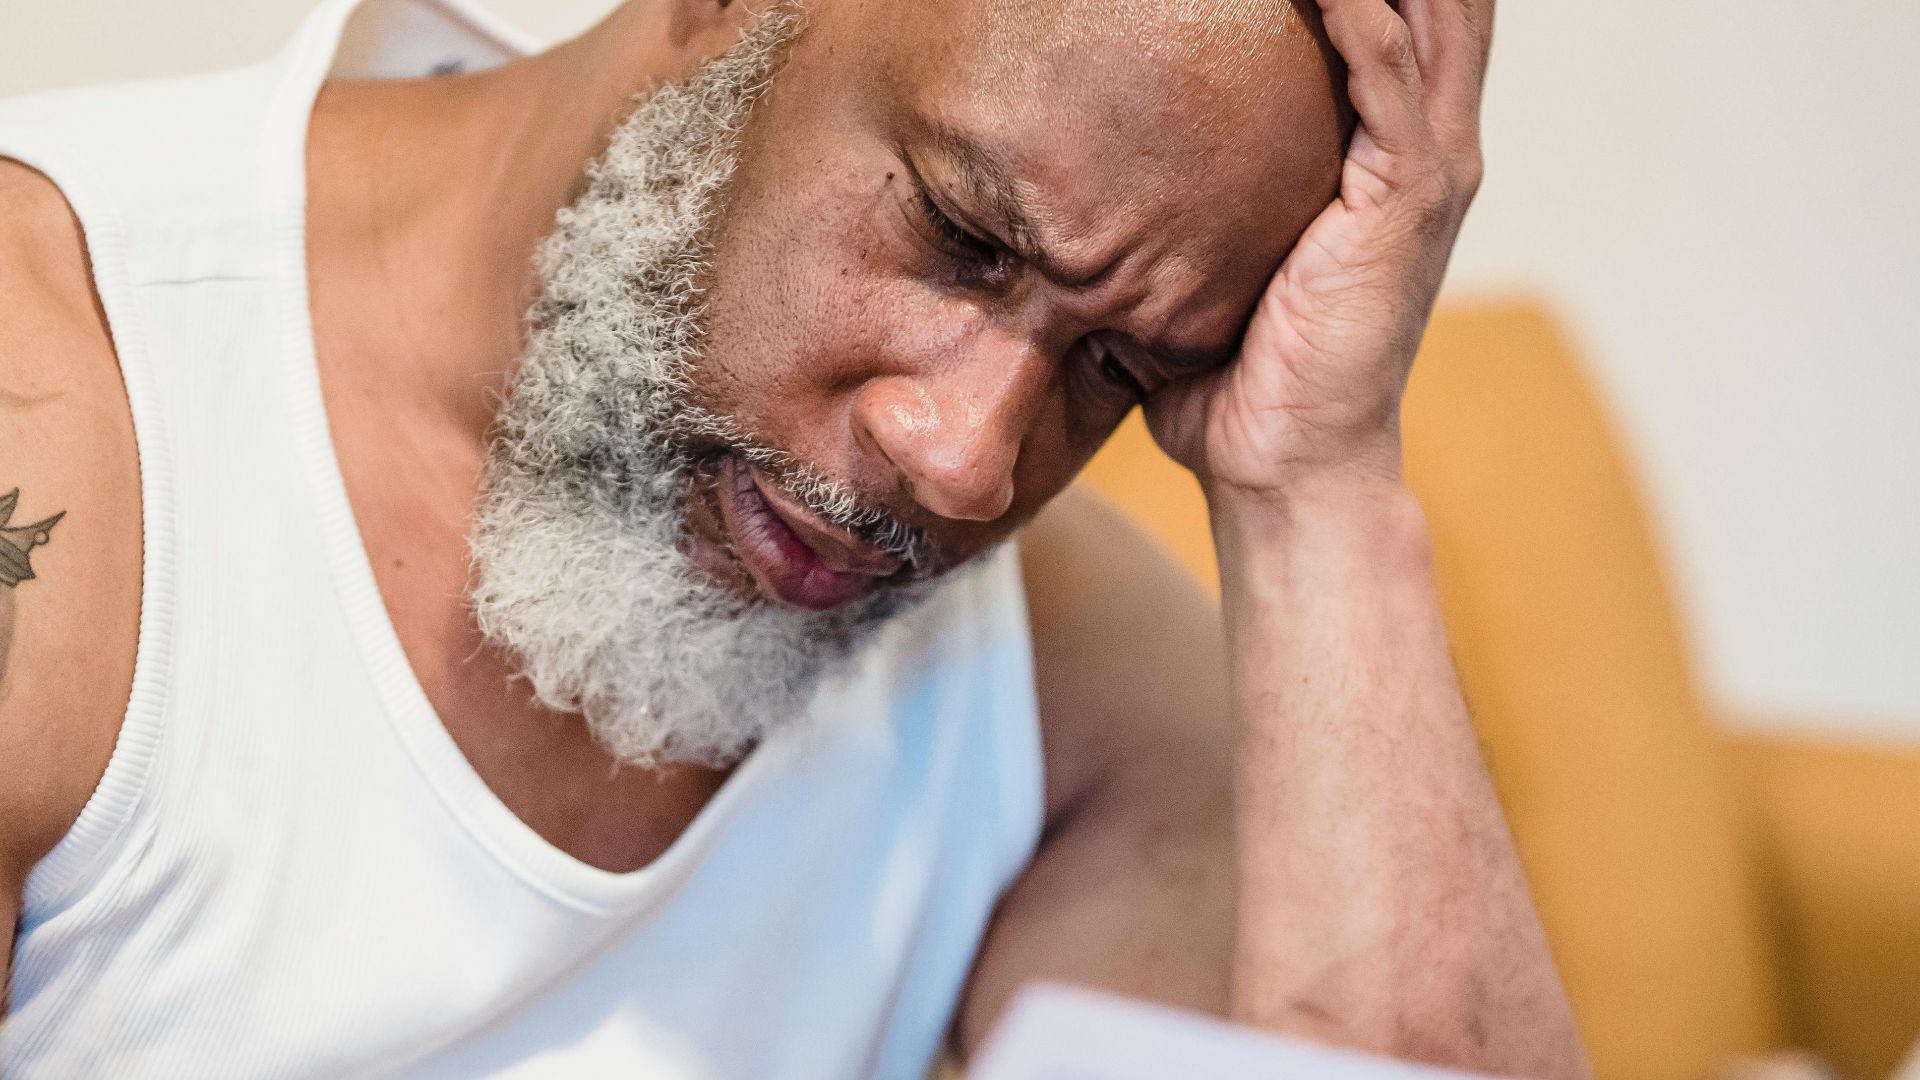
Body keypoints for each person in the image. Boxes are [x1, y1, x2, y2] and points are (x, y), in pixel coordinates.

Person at [0, 0, 1588, 1074]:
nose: (964, 461)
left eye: (1118, 368)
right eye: (962, 239)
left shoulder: (1065, 692)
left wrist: (1319, 494)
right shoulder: (64, 429)